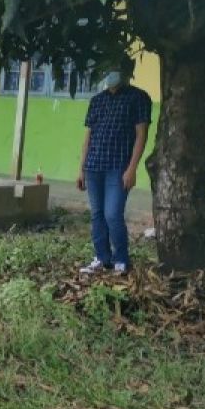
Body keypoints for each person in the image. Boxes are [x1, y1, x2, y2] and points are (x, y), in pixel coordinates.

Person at [77, 56, 151, 275]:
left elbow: (141, 135)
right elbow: (88, 137)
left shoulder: (139, 98)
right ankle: (101, 258)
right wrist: (81, 168)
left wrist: (132, 168)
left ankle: (121, 260)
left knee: (113, 214)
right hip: (94, 167)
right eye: (108, 69)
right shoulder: (97, 100)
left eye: (116, 69)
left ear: (128, 73)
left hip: (118, 168)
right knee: (97, 214)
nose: (110, 73)